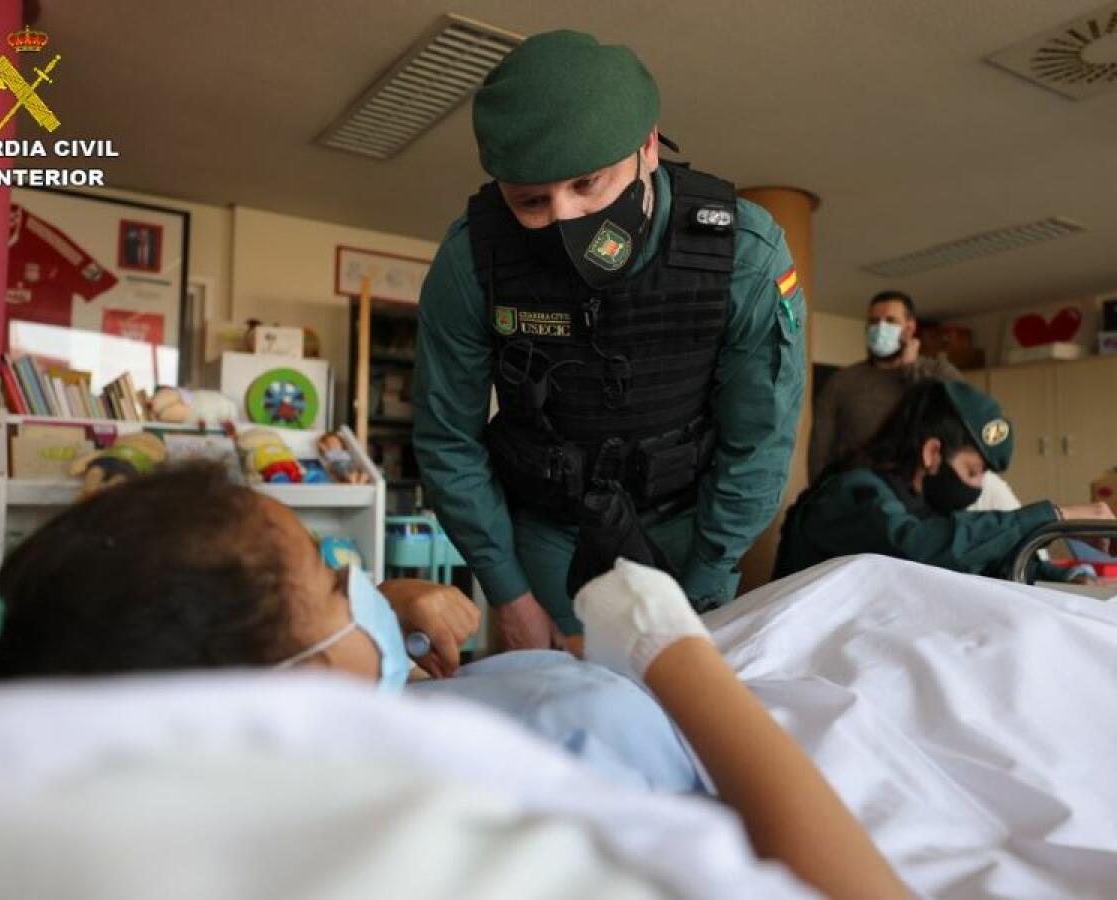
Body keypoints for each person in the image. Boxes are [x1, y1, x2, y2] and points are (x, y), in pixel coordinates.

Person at [0, 465, 904, 898]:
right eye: (326, 566)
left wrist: (388, 617)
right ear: (277, 694)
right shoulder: (529, 761)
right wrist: (678, 657)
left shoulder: (123, 668)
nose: (362, 581)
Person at [413, 30, 806, 652]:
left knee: (681, 717)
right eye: (532, 201)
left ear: (647, 146)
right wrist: (508, 592)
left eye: (588, 184)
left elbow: (758, 440)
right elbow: (447, 437)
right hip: (547, 528)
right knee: (552, 710)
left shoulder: (743, 255)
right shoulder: (470, 261)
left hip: (689, 524)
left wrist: (706, 588)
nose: (564, 218)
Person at [777, 379, 1115, 579]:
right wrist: (1058, 516)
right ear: (932, 453)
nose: (977, 487)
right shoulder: (851, 492)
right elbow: (919, 548)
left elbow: (973, 564)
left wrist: (1059, 575)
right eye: (972, 471)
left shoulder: (917, 504)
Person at [807, 289, 960, 482]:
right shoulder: (842, 382)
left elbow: (958, 423)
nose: (880, 327)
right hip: (858, 497)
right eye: (873, 322)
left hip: (925, 497)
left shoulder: (940, 372)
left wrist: (912, 371)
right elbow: (819, 452)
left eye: (890, 321)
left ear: (910, 328)